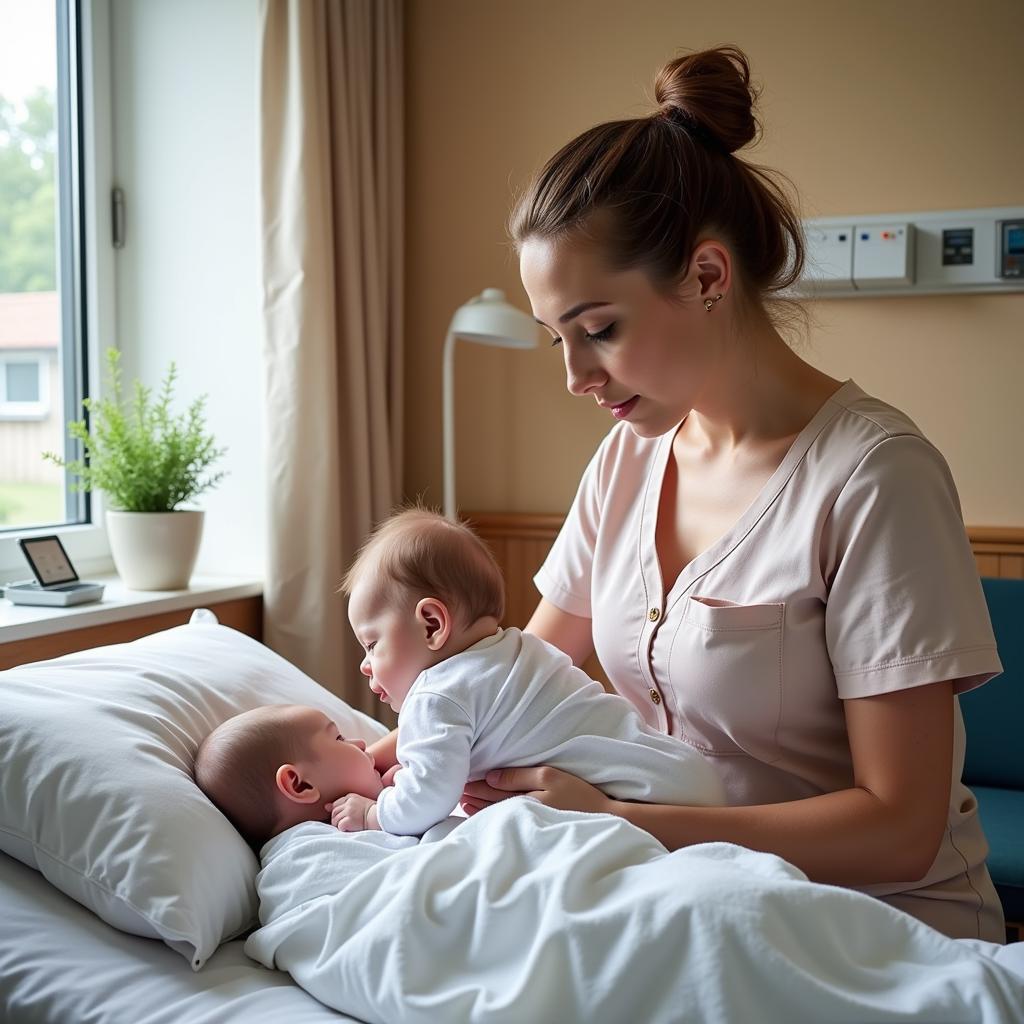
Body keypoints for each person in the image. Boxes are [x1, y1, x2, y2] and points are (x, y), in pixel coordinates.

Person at [445, 45, 1004, 942]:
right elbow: (520, 680)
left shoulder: (873, 477)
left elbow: (901, 831)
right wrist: (376, 754)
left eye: (598, 330)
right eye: (557, 339)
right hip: (694, 905)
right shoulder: (627, 463)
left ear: (708, 277)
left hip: (880, 930)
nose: (575, 376)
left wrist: (624, 826)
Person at [331, 507, 724, 837]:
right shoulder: (519, 651)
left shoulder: (435, 694)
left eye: (371, 644)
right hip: (683, 778)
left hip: (639, 802)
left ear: (432, 624)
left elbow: (428, 796)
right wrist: (380, 756)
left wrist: (372, 813)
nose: (365, 664)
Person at [194, 703, 391, 848]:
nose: (361, 744)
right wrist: (383, 814)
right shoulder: (307, 853)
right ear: (300, 785)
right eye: (339, 738)